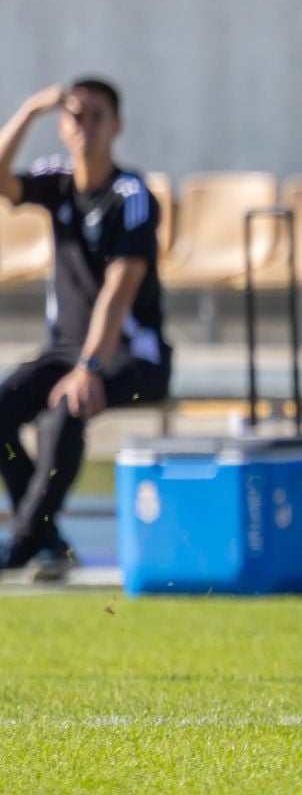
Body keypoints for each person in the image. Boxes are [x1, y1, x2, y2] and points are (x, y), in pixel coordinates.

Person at [0, 81, 170, 580]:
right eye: (76, 115)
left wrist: (89, 366)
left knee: (68, 406)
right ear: (63, 124)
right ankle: (46, 539)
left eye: (97, 116)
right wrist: (31, 108)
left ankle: (26, 539)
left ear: (116, 126)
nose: (85, 126)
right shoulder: (57, 183)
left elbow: (119, 292)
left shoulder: (130, 195)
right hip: (66, 349)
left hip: (132, 355)